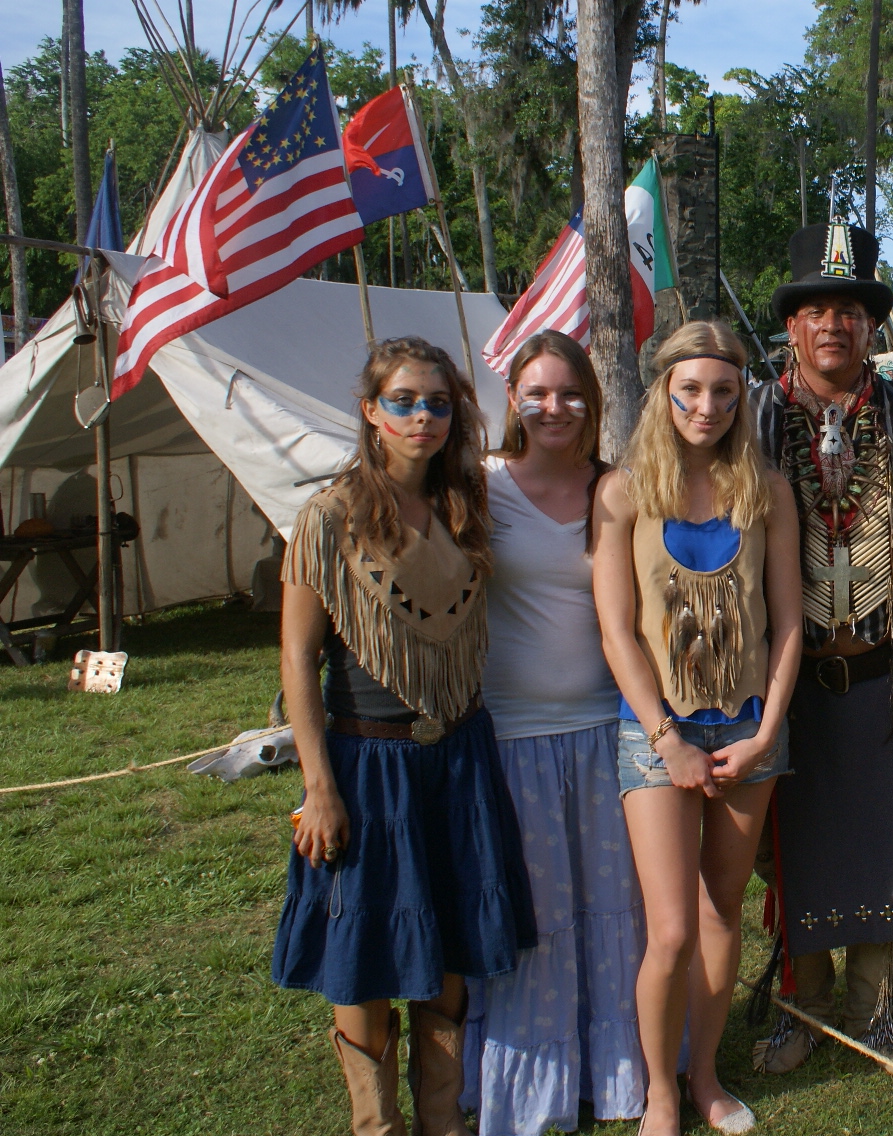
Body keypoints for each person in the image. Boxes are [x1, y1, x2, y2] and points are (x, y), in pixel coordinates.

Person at [273, 336, 535, 1136]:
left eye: (438, 403)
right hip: (367, 760)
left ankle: (442, 1121)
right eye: (404, 401)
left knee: (450, 934)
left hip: (456, 752)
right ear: (370, 412)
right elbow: (298, 656)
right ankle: (376, 1127)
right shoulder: (329, 516)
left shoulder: (465, 506)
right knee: (366, 947)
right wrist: (320, 786)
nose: (422, 417)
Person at [747, 222, 893, 1072]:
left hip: (883, 672)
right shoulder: (752, 412)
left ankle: (880, 1008)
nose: (833, 323)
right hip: (783, 675)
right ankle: (803, 1004)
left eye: (851, 309)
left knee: (887, 836)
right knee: (792, 838)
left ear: (873, 325)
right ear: (792, 326)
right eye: (815, 309)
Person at [592, 322, 803, 1136]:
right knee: (673, 927)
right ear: (663, 392)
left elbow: (786, 625)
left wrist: (766, 731)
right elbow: (616, 631)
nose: (707, 406)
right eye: (690, 390)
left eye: (723, 391)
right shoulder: (622, 492)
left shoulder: (767, 491)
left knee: (720, 910)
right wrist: (666, 739)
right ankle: (658, 1090)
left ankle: (707, 1076)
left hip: (750, 731)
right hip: (657, 735)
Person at [465, 331, 643, 1135]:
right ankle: (533, 1087)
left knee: (614, 911)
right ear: (512, 399)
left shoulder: (614, 488)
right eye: (538, 391)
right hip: (511, 738)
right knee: (537, 917)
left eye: (571, 393)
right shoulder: (478, 487)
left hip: (607, 730)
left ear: (593, 401)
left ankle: (615, 1077)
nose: (555, 407)